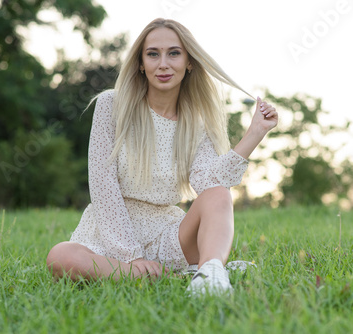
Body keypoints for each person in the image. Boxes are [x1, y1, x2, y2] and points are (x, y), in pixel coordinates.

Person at [46, 18, 278, 295]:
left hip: (167, 234)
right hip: (109, 234)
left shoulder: (197, 122)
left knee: (218, 194)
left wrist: (254, 134)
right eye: (153, 54)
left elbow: (209, 183)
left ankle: (211, 274)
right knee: (61, 256)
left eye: (174, 53)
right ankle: (153, 275)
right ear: (141, 63)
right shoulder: (111, 105)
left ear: (189, 62)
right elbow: (102, 184)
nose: (163, 64)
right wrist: (131, 258)